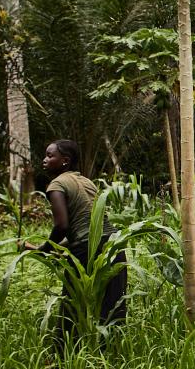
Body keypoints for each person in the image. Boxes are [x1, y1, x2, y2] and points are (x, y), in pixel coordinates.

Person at [25, 140, 127, 337]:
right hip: (114, 245)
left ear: (65, 161)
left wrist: (44, 249)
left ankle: (63, 361)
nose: (44, 160)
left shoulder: (57, 185)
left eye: (50, 156)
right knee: (113, 311)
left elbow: (62, 226)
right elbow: (88, 227)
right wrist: (51, 247)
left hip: (87, 250)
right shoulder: (87, 182)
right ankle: (113, 358)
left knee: (71, 309)